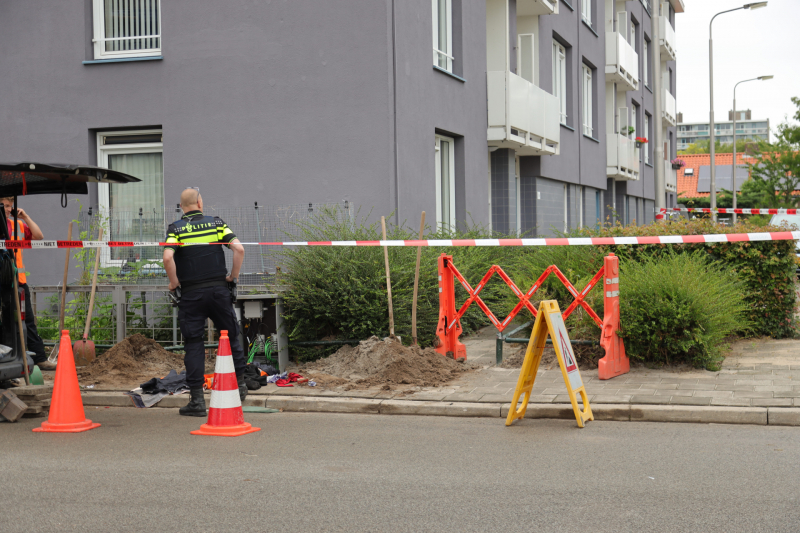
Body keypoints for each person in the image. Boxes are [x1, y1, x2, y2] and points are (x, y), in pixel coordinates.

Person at [163, 188, 247, 417]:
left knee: (193, 344)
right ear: (200, 202)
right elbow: (239, 248)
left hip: (191, 295)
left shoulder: (176, 229)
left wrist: (174, 283)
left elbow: (168, 256)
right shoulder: (216, 223)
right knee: (230, 337)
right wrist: (233, 277)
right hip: (219, 290)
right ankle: (239, 389)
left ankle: (197, 401)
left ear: (182, 207)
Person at [0, 198, 53, 370]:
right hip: (2, 281)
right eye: (4, 206)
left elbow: (39, 236)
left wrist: (25, 217)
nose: (8, 209)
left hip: (18, 281)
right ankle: (7, 360)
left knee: (27, 320)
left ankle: (39, 358)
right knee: (5, 322)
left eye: (9, 206)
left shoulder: (18, 225)